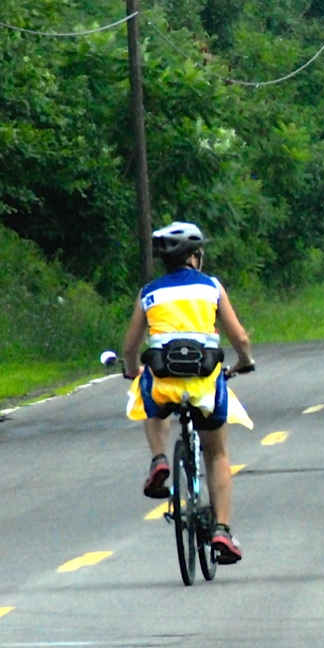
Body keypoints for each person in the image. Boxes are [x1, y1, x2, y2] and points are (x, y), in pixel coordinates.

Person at [121, 221, 256, 565]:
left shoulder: (149, 293)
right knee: (217, 453)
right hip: (205, 382)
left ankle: (159, 460)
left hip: (165, 379)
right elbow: (239, 338)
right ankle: (222, 530)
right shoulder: (211, 287)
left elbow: (130, 345)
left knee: (149, 396)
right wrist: (244, 361)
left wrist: (132, 368)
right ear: (195, 256)